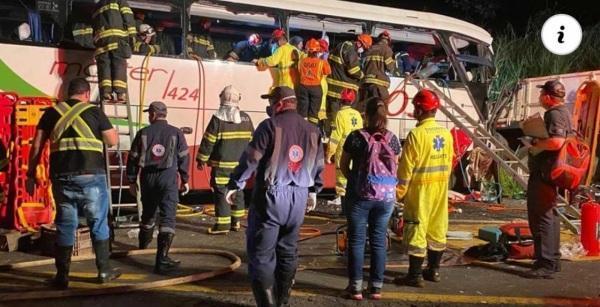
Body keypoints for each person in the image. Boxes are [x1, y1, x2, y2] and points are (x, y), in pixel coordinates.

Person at [226, 86, 324, 307]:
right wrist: (313, 191)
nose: (269, 106)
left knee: (261, 255)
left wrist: (235, 184)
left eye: (271, 102)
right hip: (299, 199)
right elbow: (319, 165)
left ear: (279, 103)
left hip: (271, 197)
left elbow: (252, 159)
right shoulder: (312, 130)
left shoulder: (269, 126)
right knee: (288, 252)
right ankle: (283, 302)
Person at [26, 78, 121, 289]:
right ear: (86, 94)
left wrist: (30, 174)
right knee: (98, 222)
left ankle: (62, 276)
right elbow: (112, 141)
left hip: (61, 177)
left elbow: (37, 146)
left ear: (68, 93)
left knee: (65, 225)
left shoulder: (51, 113)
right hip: (91, 176)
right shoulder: (94, 112)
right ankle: (104, 270)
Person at [339, 97, 400, 301]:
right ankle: (376, 287)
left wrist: (355, 180)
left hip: (360, 195)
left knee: (356, 240)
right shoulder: (392, 138)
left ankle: (355, 288)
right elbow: (395, 165)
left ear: (366, 114)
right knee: (378, 240)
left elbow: (343, 164)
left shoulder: (356, 137)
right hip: (386, 198)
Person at [394, 89, 453, 288]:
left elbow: (405, 170)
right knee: (437, 229)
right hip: (440, 190)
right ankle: (434, 270)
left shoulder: (416, 135)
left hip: (420, 192)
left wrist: (399, 194)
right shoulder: (446, 134)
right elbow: (450, 162)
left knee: (416, 229)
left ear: (419, 110)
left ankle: (415, 275)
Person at [126, 101, 190, 274]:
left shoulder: (143, 133)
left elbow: (132, 159)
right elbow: (184, 157)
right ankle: (162, 259)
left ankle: (142, 247)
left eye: (149, 114)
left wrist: (132, 181)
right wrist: (185, 179)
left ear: (153, 115)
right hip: (168, 178)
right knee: (168, 218)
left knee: (148, 214)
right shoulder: (176, 133)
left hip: (147, 178)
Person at [525, 80, 570, 279]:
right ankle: (552, 260)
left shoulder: (554, 114)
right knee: (549, 215)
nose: (540, 97)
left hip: (545, 172)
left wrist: (535, 141)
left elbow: (556, 141)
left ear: (549, 97)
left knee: (541, 216)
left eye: (542, 93)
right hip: (551, 172)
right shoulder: (564, 112)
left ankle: (547, 263)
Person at [197, 86, 254, 235]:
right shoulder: (246, 118)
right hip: (241, 166)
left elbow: (208, 141)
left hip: (222, 166)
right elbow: (252, 141)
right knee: (237, 190)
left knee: (222, 192)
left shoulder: (218, 119)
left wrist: (201, 158)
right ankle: (236, 222)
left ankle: (222, 225)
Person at [325, 34, 371, 137]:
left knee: (332, 117)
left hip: (332, 88)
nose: (363, 50)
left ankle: (330, 137)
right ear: (359, 43)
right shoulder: (350, 50)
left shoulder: (341, 46)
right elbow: (353, 70)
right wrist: (362, 75)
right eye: (363, 47)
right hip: (341, 91)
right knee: (338, 117)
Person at [93, 0, 136, 103]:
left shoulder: (98, 6)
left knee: (104, 67)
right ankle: (120, 93)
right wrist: (132, 38)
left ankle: (106, 93)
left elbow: (93, 27)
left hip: (101, 42)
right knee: (119, 64)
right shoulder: (120, 1)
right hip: (117, 39)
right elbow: (128, 19)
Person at [326, 89, 363, 208]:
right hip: (357, 149)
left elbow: (336, 136)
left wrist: (329, 154)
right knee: (354, 175)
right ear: (352, 101)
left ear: (341, 100)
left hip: (344, 148)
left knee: (341, 175)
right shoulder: (357, 114)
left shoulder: (340, 115)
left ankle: (342, 203)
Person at [296, 38, 331, 125]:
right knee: (314, 112)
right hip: (316, 88)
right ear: (318, 50)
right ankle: (311, 130)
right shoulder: (321, 62)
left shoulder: (301, 61)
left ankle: (301, 128)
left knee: (302, 110)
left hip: (303, 87)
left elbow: (299, 71)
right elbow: (328, 72)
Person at [361, 31, 395, 106]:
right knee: (381, 107)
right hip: (379, 84)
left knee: (366, 107)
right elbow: (390, 68)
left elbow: (362, 65)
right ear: (388, 41)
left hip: (366, 83)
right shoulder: (387, 49)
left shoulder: (369, 49)